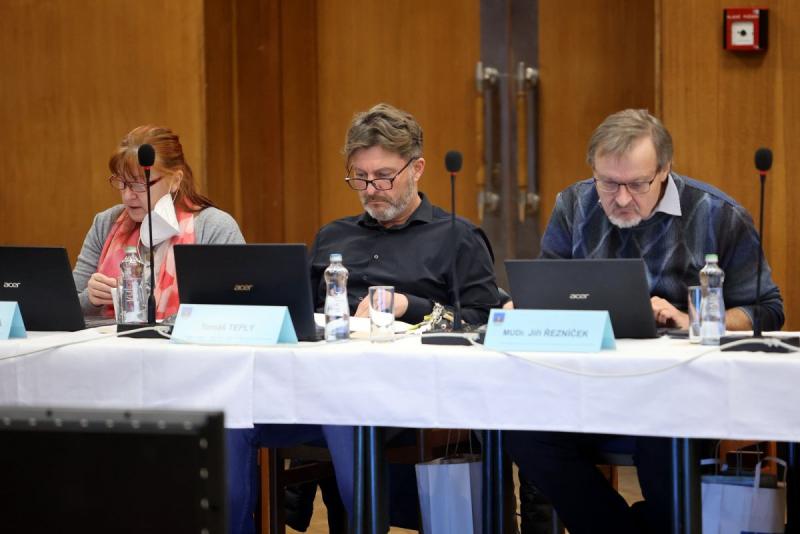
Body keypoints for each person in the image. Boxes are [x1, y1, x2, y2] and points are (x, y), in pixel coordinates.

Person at [505, 108, 785, 534]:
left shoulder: (717, 214)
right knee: (523, 435)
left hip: (681, 392)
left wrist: (693, 319)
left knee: (664, 442)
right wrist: (527, 306)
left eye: (637, 185)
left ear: (664, 170)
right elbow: (551, 286)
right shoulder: (574, 205)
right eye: (607, 183)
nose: (621, 199)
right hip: (588, 387)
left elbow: (767, 309)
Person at [309, 102, 501, 325]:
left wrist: (410, 306)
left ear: (416, 169)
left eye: (384, 175)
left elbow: (486, 321)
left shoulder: (458, 236)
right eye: (361, 176)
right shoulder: (331, 236)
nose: (370, 190)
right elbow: (297, 311)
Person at [73, 125, 244, 319]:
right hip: (110, 339)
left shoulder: (213, 226)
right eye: (122, 182)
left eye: (139, 184)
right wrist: (91, 299)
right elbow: (66, 306)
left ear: (175, 180)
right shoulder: (106, 223)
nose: (128, 196)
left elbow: (238, 307)